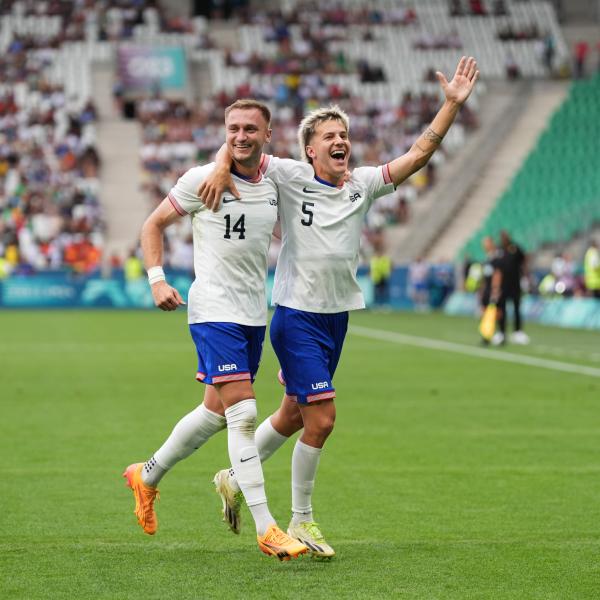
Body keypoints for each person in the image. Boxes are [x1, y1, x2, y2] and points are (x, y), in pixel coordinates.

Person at [202, 57, 480, 558]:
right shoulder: (287, 176)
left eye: (343, 134)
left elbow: (419, 154)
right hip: (296, 314)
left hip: (337, 316)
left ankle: (234, 475)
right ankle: (302, 521)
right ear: (310, 149)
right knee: (323, 419)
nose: (339, 141)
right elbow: (244, 145)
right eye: (328, 135)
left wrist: (451, 106)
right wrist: (222, 162)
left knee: (291, 415)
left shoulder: (362, 184)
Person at [122, 99, 308, 561]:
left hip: (252, 313)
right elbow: (153, 224)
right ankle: (267, 528)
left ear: (267, 135)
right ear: (224, 131)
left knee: (213, 414)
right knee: (243, 413)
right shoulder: (199, 179)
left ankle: (145, 476)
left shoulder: (276, 180)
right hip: (212, 309)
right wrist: (157, 278)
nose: (240, 135)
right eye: (233, 128)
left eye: (250, 129)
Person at [493, 230, 528, 345]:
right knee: (501, 310)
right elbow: (496, 268)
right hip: (503, 286)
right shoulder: (499, 250)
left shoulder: (515, 248)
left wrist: (525, 275)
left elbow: (524, 259)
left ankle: (518, 332)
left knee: (516, 308)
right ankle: (501, 332)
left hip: (515, 284)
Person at [479, 236, 502, 344]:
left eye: (487, 243)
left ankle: (499, 333)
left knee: (496, 311)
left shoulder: (496, 258)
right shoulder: (487, 258)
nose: (485, 246)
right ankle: (486, 334)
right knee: (484, 311)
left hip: (492, 289)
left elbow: (497, 274)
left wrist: (495, 289)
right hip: (487, 288)